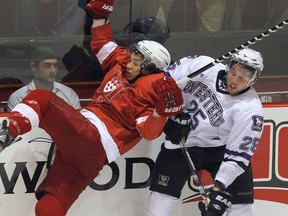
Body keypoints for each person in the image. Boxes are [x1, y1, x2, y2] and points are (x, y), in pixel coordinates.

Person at [0, 0, 184, 215]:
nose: (129, 64)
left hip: (94, 137)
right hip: (90, 158)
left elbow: (150, 133)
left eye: (136, 63)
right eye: (132, 59)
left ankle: (7, 130)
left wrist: (160, 111)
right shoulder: (121, 63)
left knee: (42, 99)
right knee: (50, 203)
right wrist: (100, 17)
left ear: (149, 68)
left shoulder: (152, 92)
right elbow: (102, 42)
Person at [146, 48, 265, 216]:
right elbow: (163, 80)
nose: (234, 80)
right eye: (233, 72)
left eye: (243, 76)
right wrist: (173, 113)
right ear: (228, 66)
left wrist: (218, 190)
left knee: (242, 209)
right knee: (160, 201)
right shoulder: (203, 66)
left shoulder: (250, 109)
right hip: (182, 143)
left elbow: (238, 156)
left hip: (222, 151)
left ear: (253, 79)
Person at [7, 46, 81, 111]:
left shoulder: (69, 94)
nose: (53, 70)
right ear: (33, 67)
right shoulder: (18, 97)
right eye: (47, 66)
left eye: (55, 65)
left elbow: (78, 124)